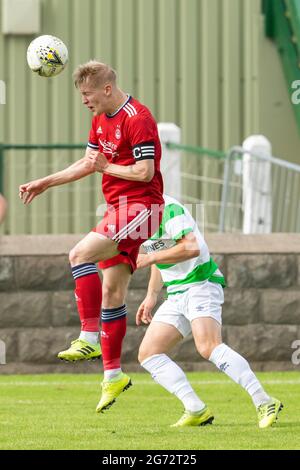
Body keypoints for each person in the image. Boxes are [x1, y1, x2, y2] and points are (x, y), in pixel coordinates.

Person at [19, 61, 164, 413]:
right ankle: (113, 376)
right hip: (117, 209)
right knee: (112, 293)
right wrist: (45, 182)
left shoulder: (137, 117)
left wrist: (106, 167)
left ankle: (88, 337)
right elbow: (88, 162)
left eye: (88, 94)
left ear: (107, 89)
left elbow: (144, 173)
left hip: (142, 207)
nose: (84, 100)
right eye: (81, 94)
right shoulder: (100, 118)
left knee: (78, 254)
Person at [135, 194, 283, 428]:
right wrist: (152, 295)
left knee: (208, 347)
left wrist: (149, 257)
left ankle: (264, 401)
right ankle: (196, 409)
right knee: (149, 354)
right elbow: (158, 254)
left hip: (200, 284)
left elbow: (191, 247)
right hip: (176, 293)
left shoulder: (169, 208)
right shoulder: (141, 216)